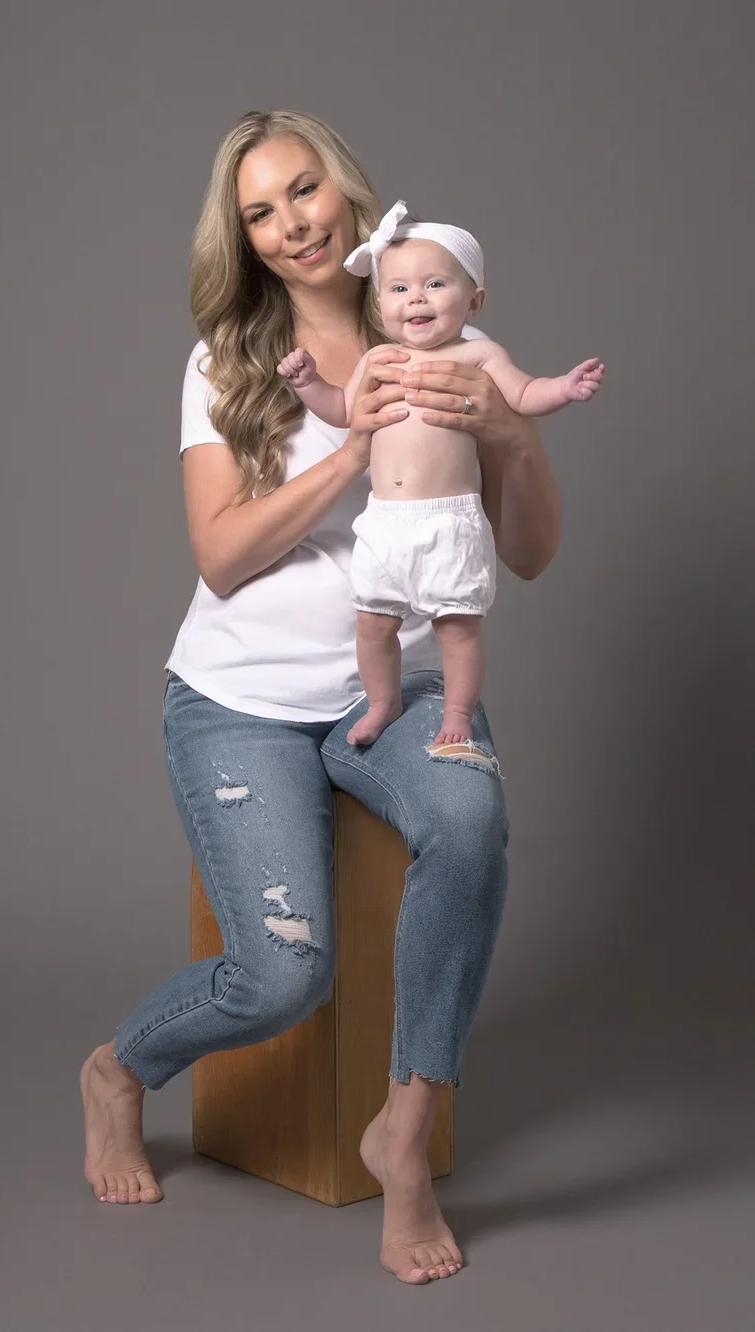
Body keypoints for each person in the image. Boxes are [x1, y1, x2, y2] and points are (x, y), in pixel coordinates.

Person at [81, 109, 562, 1286]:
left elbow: (531, 555)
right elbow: (220, 557)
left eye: (303, 190)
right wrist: (351, 450)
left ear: (344, 190)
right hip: (238, 701)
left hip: (393, 689)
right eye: (260, 211)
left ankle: (402, 1134)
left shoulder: (439, 326)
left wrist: (510, 436)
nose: (292, 223)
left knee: (471, 823)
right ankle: (119, 1069)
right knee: (282, 973)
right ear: (243, 239)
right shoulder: (227, 365)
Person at [278, 199, 603, 747]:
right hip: (384, 521)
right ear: (380, 302)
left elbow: (523, 395)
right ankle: (382, 702)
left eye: (435, 285)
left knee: (458, 628)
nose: (416, 299)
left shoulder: (478, 357)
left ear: (474, 301)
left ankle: (456, 714)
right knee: (372, 623)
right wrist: (308, 382)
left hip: (449, 520)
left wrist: (563, 388)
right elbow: (342, 410)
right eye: (399, 288)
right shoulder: (378, 360)